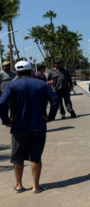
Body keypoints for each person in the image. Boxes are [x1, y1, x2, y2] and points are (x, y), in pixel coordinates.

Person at [0, 61, 59, 194]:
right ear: (31, 71)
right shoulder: (42, 85)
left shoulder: (11, 86)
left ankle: (19, 185)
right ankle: (36, 186)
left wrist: (6, 120)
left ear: (16, 72)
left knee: (18, 157)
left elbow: (2, 102)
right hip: (38, 125)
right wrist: (50, 117)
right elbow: (55, 100)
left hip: (19, 127)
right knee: (36, 157)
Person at [0, 61, 16, 127]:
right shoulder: (1, 73)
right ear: (3, 67)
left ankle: (12, 121)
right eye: (7, 66)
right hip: (3, 94)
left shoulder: (13, 73)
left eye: (9, 65)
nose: (9, 66)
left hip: (12, 94)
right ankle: (5, 122)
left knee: (13, 108)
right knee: (4, 108)